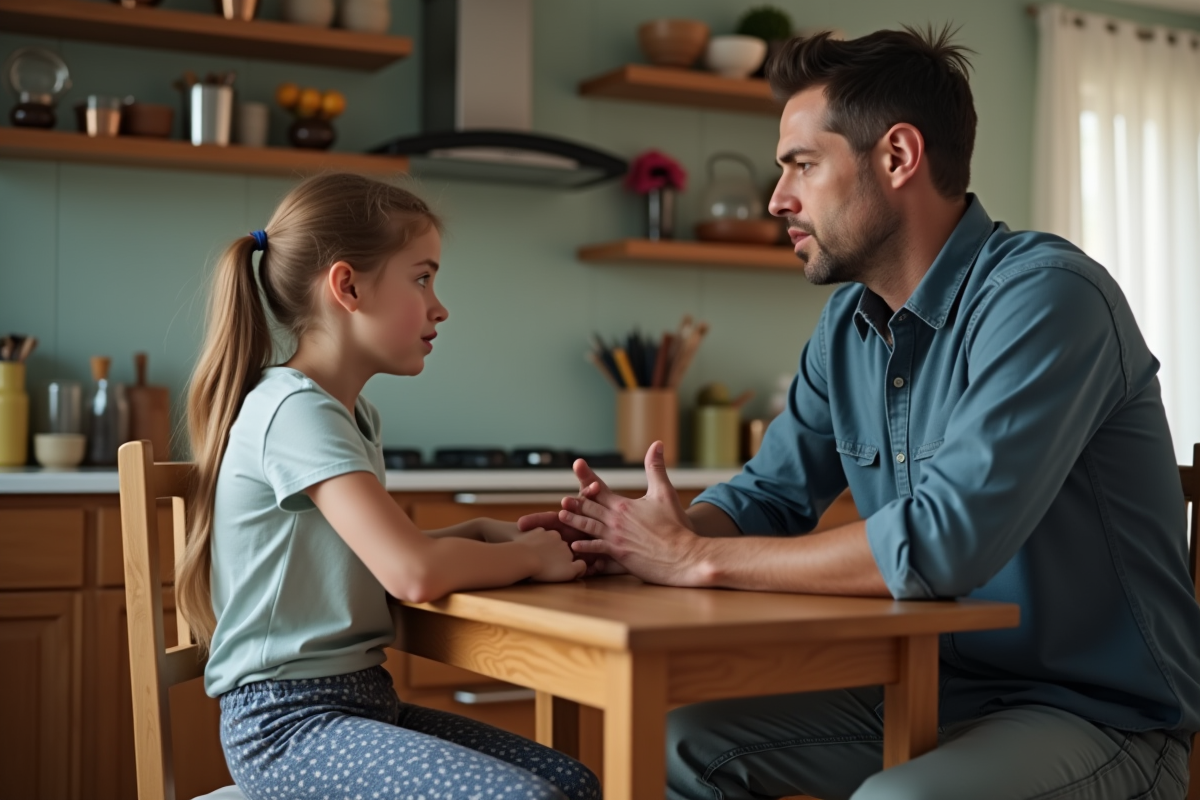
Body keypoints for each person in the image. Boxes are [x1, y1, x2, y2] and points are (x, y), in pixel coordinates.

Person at [521, 27, 1200, 800]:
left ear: (898, 156)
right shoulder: (846, 328)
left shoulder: (1048, 298)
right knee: (678, 743)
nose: (778, 198)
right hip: (928, 686)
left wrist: (694, 559)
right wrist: (644, 538)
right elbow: (768, 498)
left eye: (803, 165)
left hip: (1097, 715)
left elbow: (942, 542)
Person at [177, 172, 598, 800]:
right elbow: (411, 575)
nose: (439, 306)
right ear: (347, 286)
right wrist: (528, 558)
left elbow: (363, 561)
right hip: (287, 726)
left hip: (360, 703)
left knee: (573, 783)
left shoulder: (348, 414)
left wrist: (481, 533)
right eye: (422, 278)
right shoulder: (295, 411)